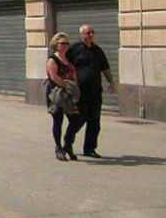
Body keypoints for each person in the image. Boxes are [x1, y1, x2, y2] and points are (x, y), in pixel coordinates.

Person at [64, 23, 116, 159]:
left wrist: (111, 82)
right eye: (88, 32)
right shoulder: (73, 49)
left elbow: (105, 68)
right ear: (81, 34)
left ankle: (90, 148)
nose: (91, 35)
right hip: (80, 92)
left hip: (95, 91)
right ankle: (67, 144)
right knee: (79, 119)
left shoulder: (97, 50)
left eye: (93, 32)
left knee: (94, 122)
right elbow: (64, 65)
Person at [45, 32, 80, 161]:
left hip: (69, 95)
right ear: (56, 44)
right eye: (62, 43)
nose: (65, 45)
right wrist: (67, 86)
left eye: (67, 43)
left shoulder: (68, 59)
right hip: (56, 94)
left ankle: (68, 145)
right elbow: (54, 76)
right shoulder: (52, 59)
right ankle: (58, 147)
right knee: (58, 120)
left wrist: (74, 88)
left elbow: (74, 75)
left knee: (75, 120)